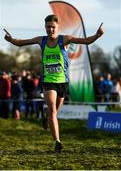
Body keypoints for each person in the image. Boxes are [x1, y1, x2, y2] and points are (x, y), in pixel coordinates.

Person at [3, 14, 104, 152]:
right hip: (48, 81)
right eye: (48, 27)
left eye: (53, 27)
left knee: (54, 112)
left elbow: (86, 41)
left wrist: (97, 35)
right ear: (45, 27)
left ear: (58, 27)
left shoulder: (65, 39)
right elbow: (21, 43)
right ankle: (57, 141)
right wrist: (11, 39)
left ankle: (46, 116)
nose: (50, 29)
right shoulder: (41, 40)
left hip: (63, 81)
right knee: (53, 111)